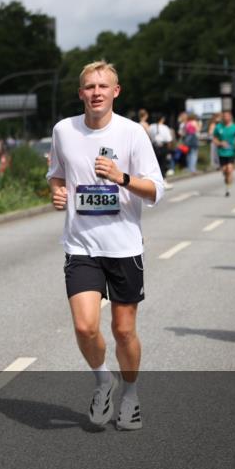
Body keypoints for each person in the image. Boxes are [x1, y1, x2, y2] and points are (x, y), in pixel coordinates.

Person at [47, 61, 164, 431]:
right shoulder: (64, 130)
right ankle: (103, 381)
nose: (95, 92)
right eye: (89, 87)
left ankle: (130, 395)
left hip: (124, 246)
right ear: (80, 93)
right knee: (85, 327)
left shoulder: (132, 134)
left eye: (103, 86)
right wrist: (57, 192)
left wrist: (123, 177)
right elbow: (56, 173)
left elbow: (156, 190)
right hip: (81, 245)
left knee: (123, 331)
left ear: (116, 91)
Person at [213, 110, 235, 196]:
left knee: (229, 169)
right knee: (224, 170)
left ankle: (228, 189)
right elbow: (215, 138)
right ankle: (227, 181)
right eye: (224, 116)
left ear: (230, 117)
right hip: (221, 152)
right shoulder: (218, 127)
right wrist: (220, 143)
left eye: (227, 116)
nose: (225, 118)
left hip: (232, 152)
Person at [147, 114, 175, 178]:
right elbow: (169, 140)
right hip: (163, 147)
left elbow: (149, 136)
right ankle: (163, 178)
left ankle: (157, 178)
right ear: (162, 119)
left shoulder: (151, 127)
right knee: (163, 164)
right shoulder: (165, 127)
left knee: (156, 164)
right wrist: (169, 150)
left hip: (154, 146)